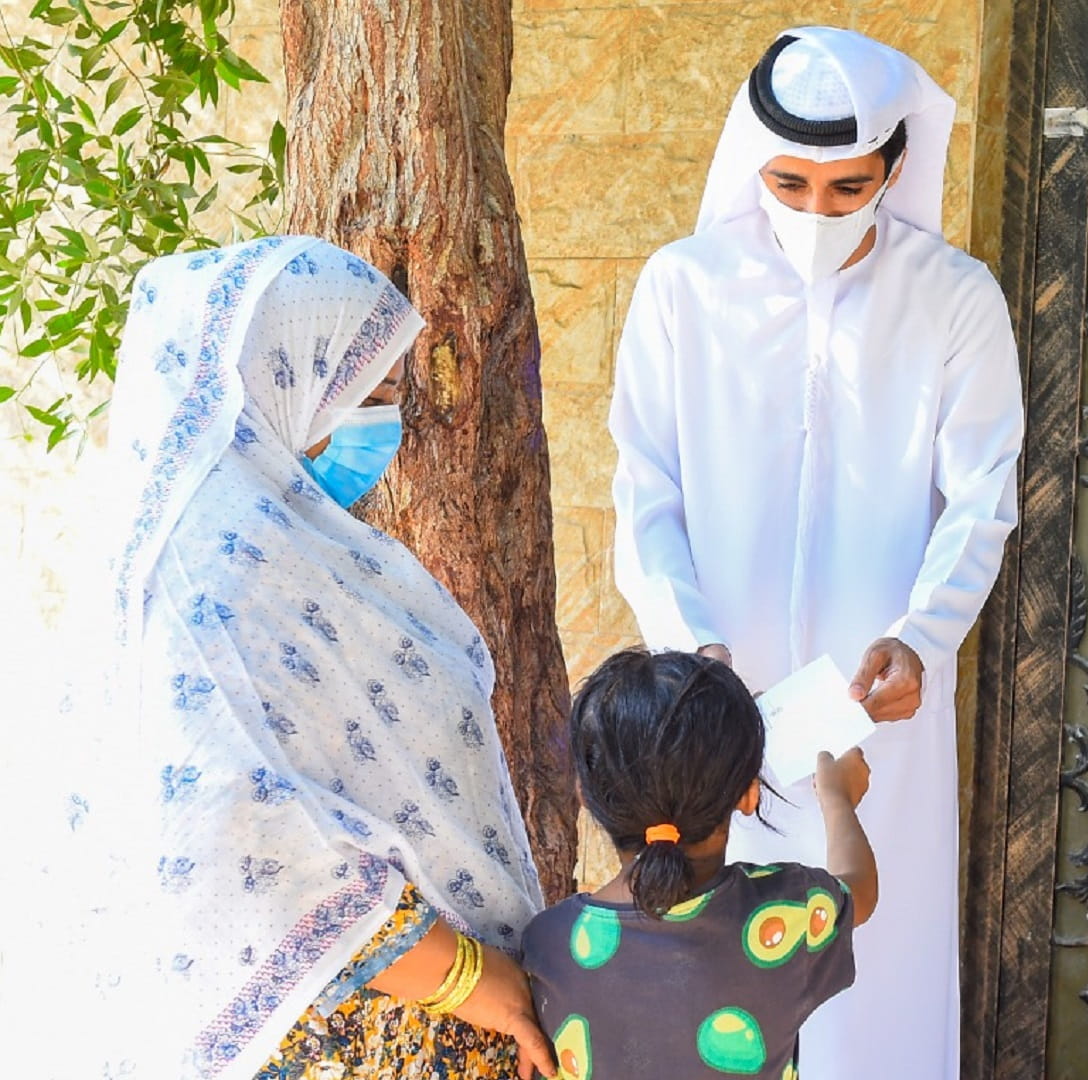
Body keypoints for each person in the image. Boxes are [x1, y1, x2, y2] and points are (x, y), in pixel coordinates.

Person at [607, 25, 1022, 1078]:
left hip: (874, 697)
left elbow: (980, 499)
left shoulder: (955, 296)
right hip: (714, 692)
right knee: (709, 962)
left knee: (872, 966)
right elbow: (643, 485)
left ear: (891, 167)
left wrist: (921, 639)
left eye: (848, 188)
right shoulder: (681, 286)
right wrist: (689, 645)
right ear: (755, 160)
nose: (816, 211)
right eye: (790, 183)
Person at [59, 236, 556, 1080]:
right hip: (359, 1026)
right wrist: (472, 982)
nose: (384, 427)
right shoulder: (210, 570)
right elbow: (243, 839)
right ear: (281, 378)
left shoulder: (269, 548)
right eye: (371, 393)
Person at [522, 648, 878, 1079]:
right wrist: (838, 799)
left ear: (586, 796)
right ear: (749, 795)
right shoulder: (791, 911)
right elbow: (860, 888)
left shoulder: (549, 945)